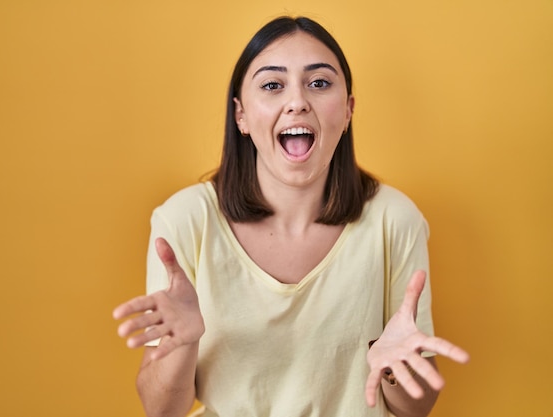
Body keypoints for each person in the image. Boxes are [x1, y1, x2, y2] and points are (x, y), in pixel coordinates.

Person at [113, 16, 469, 417]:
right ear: (241, 115)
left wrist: (392, 368)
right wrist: (182, 344)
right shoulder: (184, 220)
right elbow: (161, 412)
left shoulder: (394, 219)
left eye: (319, 83)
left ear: (348, 109)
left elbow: (414, 409)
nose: (297, 101)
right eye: (272, 85)